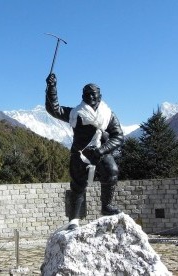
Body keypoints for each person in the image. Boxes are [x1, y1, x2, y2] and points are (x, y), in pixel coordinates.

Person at [45, 73, 124, 230]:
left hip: (101, 153)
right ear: (83, 96)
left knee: (112, 170)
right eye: (87, 95)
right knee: (77, 186)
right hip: (80, 154)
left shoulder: (108, 115)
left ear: (100, 96)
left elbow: (118, 137)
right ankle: (74, 219)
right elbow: (53, 109)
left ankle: (106, 206)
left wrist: (102, 150)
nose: (91, 97)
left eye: (94, 94)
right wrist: (51, 88)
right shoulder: (76, 113)